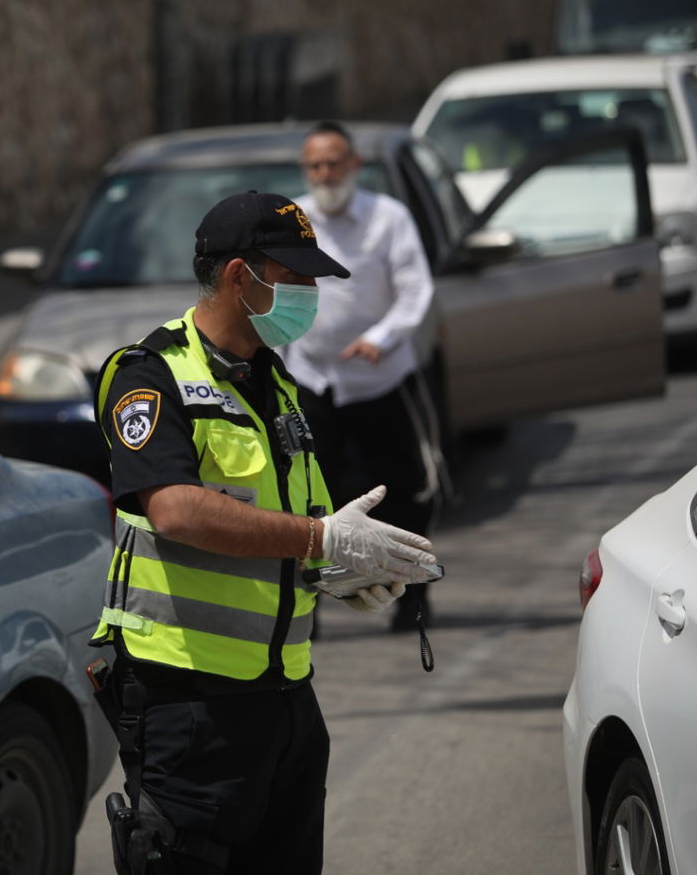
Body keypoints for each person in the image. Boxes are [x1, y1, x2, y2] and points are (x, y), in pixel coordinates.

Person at [91, 189, 438, 874]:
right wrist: (322, 542)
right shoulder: (151, 375)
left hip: (285, 702)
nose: (310, 293)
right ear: (237, 276)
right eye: (295, 277)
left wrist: (341, 572)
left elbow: (292, 527)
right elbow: (176, 510)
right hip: (189, 706)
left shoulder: (276, 388)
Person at [279, 121, 445, 632]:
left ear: (353, 164)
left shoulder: (387, 217)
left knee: (405, 490)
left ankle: (412, 597)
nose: (325, 173)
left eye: (334, 162)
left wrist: (382, 337)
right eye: (315, 165)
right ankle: (313, 609)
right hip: (312, 378)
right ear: (305, 170)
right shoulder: (294, 219)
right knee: (309, 496)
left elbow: (416, 289)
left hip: (381, 379)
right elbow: (275, 291)